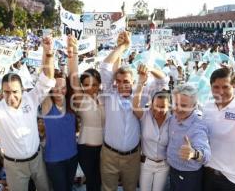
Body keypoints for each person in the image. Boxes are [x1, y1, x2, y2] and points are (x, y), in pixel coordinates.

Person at [0, 36, 55, 191]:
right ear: (1, 92)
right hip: (14, 166)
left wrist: (48, 53)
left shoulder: (31, 99)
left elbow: (47, 78)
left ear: (23, 90)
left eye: (15, 91)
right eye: (6, 92)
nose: (11, 97)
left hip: (37, 160)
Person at [99, 31, 141, 191]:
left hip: (132, 157)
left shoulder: (140, 97)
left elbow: (162, 81)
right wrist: (122, 47)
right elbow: (105, 66)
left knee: (130, 188)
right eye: (119, 81)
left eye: (126, 81)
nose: (122, 84)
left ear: (133, 82)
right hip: (109, 156)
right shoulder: (110, 94)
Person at [67, 35, 104, 191]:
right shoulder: (80, 99)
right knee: (94, 182)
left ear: (99, 85)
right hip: (86, 149)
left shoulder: (104, 99)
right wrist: (74, 52)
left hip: (104, 150)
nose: (91, 88)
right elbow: (73, 75)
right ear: (82, 85)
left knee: (99, 182)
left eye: (95, 84)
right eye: (87, 84)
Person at [132, 64, 171, 191]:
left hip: (163, 165)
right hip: (146, 164)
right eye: (156, 106)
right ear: (151, 104)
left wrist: (150, 68)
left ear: (168, 107)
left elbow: (163, 80)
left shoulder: (172, 120)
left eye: (162, 107)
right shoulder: (145, 116)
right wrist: (140, 83)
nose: (158, 110)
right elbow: (135, 104)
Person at [167, 84, 211, 191]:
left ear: (194, 105)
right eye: (176, 104)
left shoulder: (198, 126)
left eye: (184, 105)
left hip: (188, 177)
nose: (178, 109)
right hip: (172, 171)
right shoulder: (173, 117)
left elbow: (206, 155)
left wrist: (194, 154)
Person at [40, 70, 78, 191]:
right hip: (54, 160)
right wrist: (48, 53)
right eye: (55, 86)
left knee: (69, 188)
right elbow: (44, 78)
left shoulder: (71, 104)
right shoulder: (47, 104)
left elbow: (74, 73)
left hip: (72, 156)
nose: (59, 90)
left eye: (63, 87)